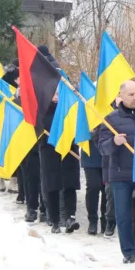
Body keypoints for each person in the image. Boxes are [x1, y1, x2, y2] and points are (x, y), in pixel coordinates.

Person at [99, 80, 135, 264]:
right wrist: (113, 142)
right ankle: (128, 252)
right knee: (123, 214)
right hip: (120, 174)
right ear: (121, 96)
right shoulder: (111, 119)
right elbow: (102, 147)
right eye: (131, 95)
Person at [37, 47, 80, 234]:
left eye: (58, 91)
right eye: (53, 92)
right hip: (48, 148)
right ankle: (53, 218)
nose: (56, 95)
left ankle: (69, 217)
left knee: (69, 183)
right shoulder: (41, 106)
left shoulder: (68, 100)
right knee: (52, 184)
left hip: (68, 147)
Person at [81, 124, 107, 235]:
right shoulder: (85, 110)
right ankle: (92, 220)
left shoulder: (111, 110)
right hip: (90, 155)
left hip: (108, 156)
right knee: (93, 187)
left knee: (107, 190)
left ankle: (106, 220)